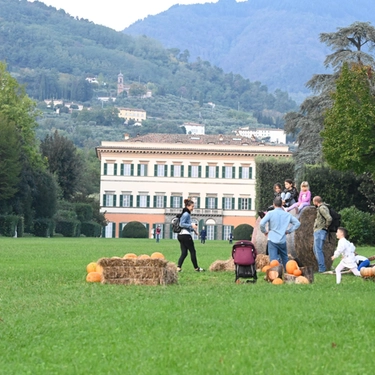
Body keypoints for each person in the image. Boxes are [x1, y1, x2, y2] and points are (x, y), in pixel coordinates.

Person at [259, 197, 300, 268]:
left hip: (272, 239)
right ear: (282, 205)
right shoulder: (287, 214)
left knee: (274, 261)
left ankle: (276, 275)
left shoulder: (270, 213)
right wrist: (289, 231)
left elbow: (262, 223)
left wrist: (264, 231)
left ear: (273, 204)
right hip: (282, 239)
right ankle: (287, 273)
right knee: (285, 259)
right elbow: (297, 223)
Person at [177, 198, 205, 272]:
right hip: (186, 236)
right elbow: (181, 224)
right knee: (192, 251)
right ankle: (196, 268)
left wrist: (194, 230)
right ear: (188, 206)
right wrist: (191, 225)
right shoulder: (186, 214)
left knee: (184, 252)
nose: (193, 208)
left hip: (181, 235)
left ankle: (178, 267)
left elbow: (185, 225)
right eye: (192, 206)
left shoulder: (184, 213)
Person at [312, 196, 332, 273]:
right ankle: (321, 266)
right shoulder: (322, 207)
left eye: (313, 202)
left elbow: (329, 218)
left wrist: (326, 226)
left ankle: (322, 268)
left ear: (316, 202)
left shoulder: (322, 208)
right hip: (319, 231)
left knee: (318, 250)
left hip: (320, 231)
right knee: (315, 249)